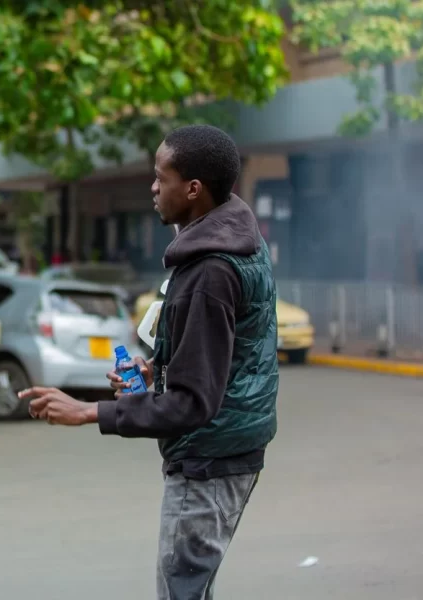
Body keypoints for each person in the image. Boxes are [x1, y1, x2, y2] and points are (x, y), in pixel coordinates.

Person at [20, 124, 278, 599]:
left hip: (209, 461)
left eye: (163, 177)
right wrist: (158, 369)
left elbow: (195, 402)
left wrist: (87, 411)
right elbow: (226, 353)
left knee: (180, 592)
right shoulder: (237, 237)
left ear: (194, 190)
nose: (154, 188)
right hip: (229, 449)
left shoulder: (211, 271)